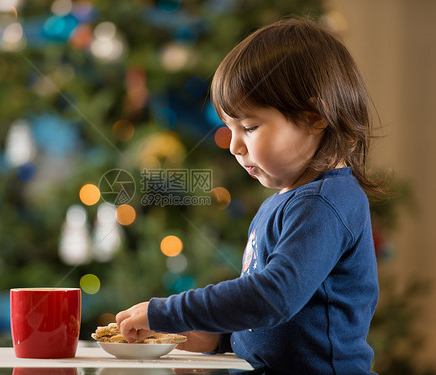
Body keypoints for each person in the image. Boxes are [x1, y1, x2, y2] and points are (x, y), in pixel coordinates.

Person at [116, 18, 380, 374]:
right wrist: (219, 338)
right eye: (230, 128)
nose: (236, 146)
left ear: (315, 116)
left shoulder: (324, 204)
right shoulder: (286, 201)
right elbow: (275, 321)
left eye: (250, 127)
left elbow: (273, 296)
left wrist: (169, 310)